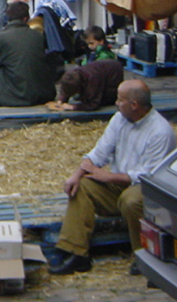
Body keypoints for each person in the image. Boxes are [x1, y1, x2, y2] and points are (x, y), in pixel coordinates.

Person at [49, 80, 177, 275]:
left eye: (120, 99)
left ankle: (143, 256)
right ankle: (75, 251)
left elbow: (148, 176)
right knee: (82, 186)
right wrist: (76, 175)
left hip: (145, 189)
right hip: (120, 182)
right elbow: (99, 153)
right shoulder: (119, 119)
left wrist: (108, 177)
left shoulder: (161, 132)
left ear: (134, 105)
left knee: (131, 200)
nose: (116, 103)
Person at [0, 1, 57, 106]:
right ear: (26, 19)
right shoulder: (38, 36)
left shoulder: (1, 38)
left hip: (14, 95)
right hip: (39, 94)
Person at [47, 59, 125, 112]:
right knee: (78, 97)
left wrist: (73, 107)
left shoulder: (93, 79)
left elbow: (93, 104)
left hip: (112, 80)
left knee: (94, 99)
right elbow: (66, 86)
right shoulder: (72, 74)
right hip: (103, 70)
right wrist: (61, 100)